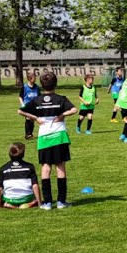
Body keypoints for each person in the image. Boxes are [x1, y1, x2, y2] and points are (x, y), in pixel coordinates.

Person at [18, 71, 78, 209]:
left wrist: (36, 118)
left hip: (44, 137)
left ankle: (48, 202)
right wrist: (62, 115)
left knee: (46, 168)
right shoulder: (61, 99)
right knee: (60, 167)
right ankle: (61, 202)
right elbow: (74, 110)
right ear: (56, 84)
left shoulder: (37, 100)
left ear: (41, 85)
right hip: (59, 137)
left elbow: (20, 111)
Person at [0, 142, 44, 209]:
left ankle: (9, 205)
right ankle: (31, 203)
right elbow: (35, 186)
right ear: (23, 154)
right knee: (34, 198)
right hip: (26, 198)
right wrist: (40, 203)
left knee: (3, 195)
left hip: (10, 199)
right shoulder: (29, 167)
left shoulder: (3, 168)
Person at [19, 70, 40, 140]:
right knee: (28, 118)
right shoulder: (24, 87)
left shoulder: (37, 87)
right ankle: (27, 134)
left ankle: (30, 133)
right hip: (27, 106)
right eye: (34, 78)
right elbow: (20, 96)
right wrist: (22, 104)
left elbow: (39, 97)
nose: (35, 79)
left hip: (34, 106)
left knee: (32, 119)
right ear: (30, 79)